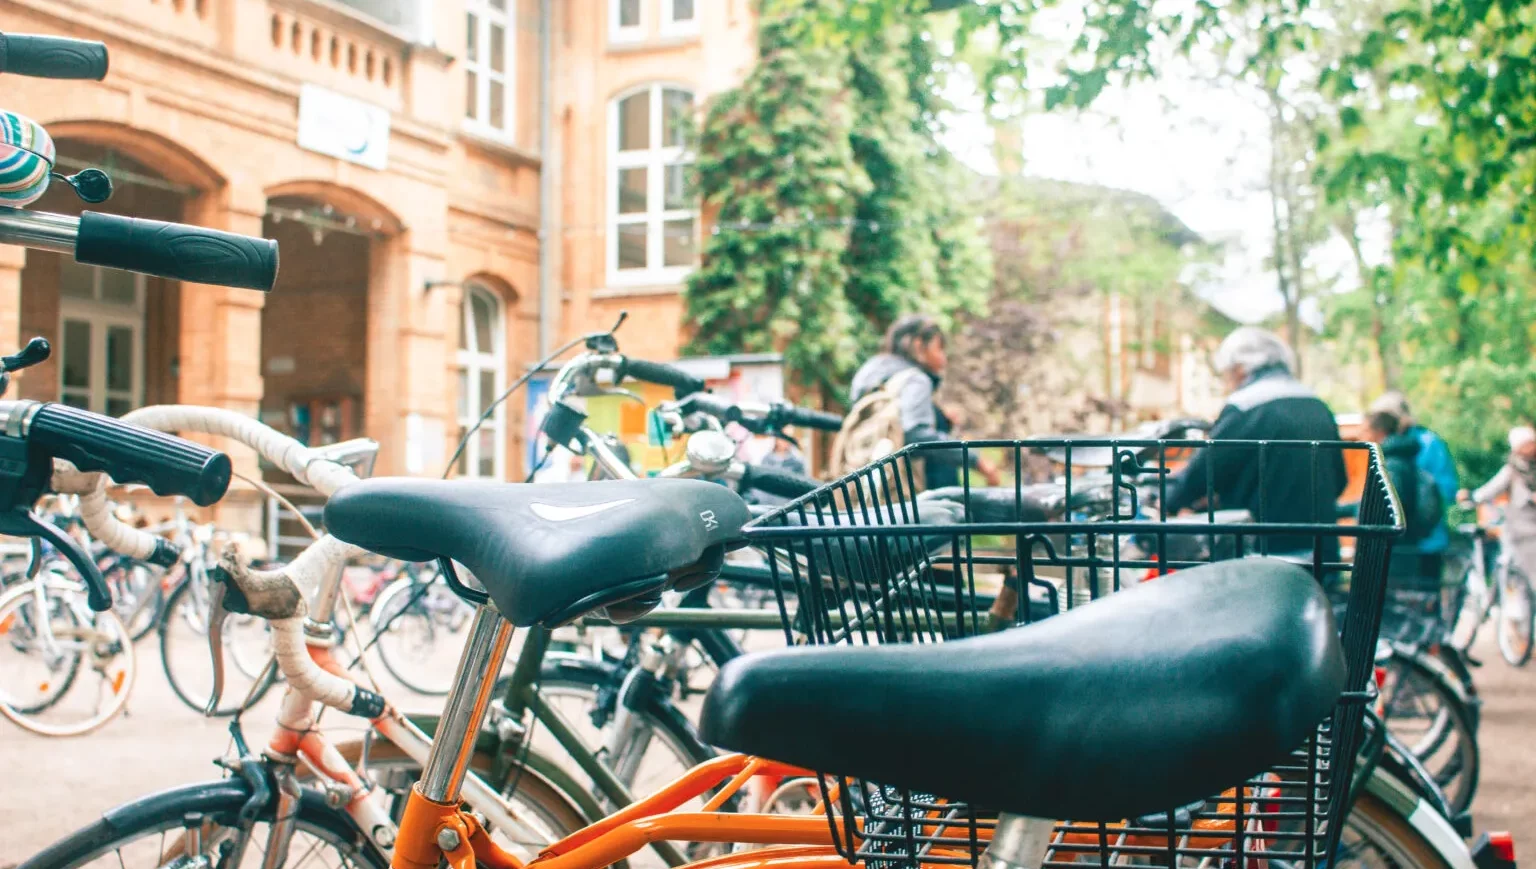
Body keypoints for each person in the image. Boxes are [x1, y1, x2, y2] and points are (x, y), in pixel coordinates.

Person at [1164, 326, 1347, 559]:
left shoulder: (1246, 406)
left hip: (1265, 552)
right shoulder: (1317, 405)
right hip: (1322, 549)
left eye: (1226, 373)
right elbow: (1339, 480)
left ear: (1240, 368)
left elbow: (1205, 471)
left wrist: (1169, 500)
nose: (1227, 382)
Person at [849, 314, 1001, 488]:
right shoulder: (915, 379)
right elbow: (915, 435)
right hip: (911, 492)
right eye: (939, 348)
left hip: (866, 482)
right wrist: (975, 460)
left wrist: (939, 415)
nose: (943, 360)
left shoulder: (868, 373)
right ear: (918, 345)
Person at [1369, 391, 1458, 559]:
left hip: (1427, 540)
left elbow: (1446, 489)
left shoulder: (1427, 443)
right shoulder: (1390, 447)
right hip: (1402, 542)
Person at [1362, 410, 1442, 583]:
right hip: (1407, 545)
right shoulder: (1403, 459)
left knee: (1394, 594)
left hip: (1394, 549)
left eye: (1366, 430)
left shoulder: (1392, 465)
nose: (1362, 436)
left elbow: (1390, 505)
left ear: (1379, 432)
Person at [1464, 426, 1536, 582]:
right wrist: (1472, 497)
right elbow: (1491, 490)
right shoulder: (1512, 470)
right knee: (1526, 576)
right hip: (1522, 530)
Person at [749, 438, 809, 506]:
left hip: (788, 503)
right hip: (767, 502)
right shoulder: (766, 459)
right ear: (777, 441)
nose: (785, 442)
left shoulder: (796, 462)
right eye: (782, 440)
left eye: (787, 440)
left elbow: (801, 483)